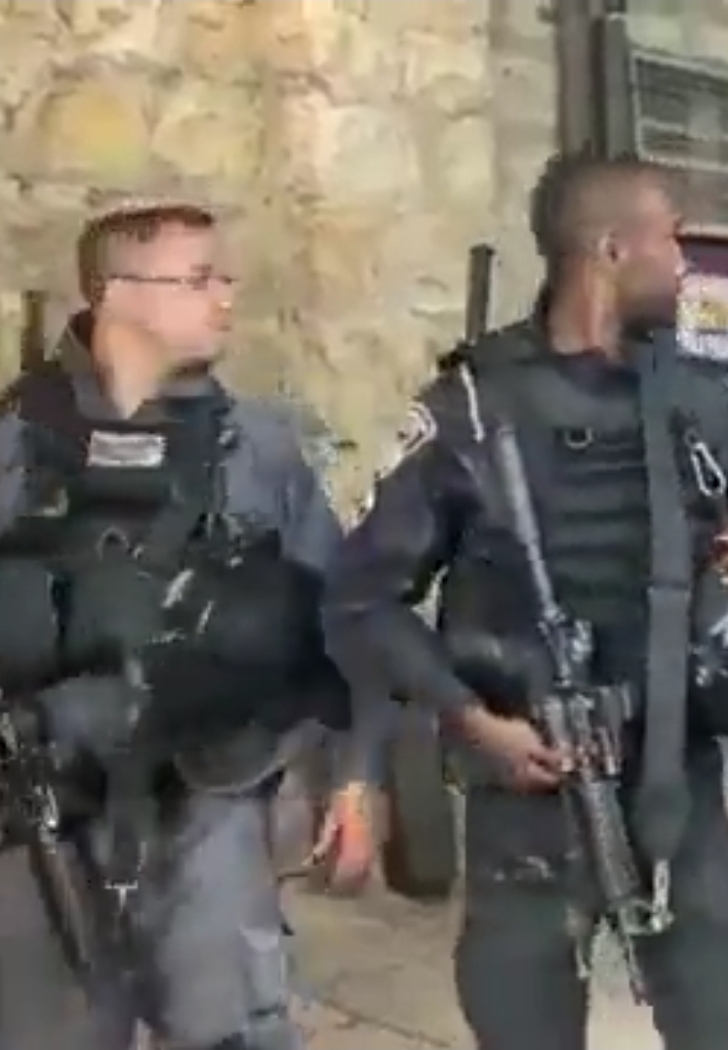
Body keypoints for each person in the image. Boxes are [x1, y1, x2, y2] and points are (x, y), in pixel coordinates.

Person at [321, 151, 728, 1050]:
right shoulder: (469, 409)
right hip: (528, 788)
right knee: (525, 1022)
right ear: (612, 249)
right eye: (672, 240)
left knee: (726, 1014)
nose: (685, 263)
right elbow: (364, 602)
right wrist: (471, 720)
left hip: (672, 774)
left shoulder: (693, 395)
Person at [0, 201, 380, 1050]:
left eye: (225, 277)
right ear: (116, 293)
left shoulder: (258, 449)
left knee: (230, 1030)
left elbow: (344, 620)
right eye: (200, 278)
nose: (226, 297)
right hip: (44, 817)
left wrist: (355, 780)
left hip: (210, 799)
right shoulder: (16, 447)